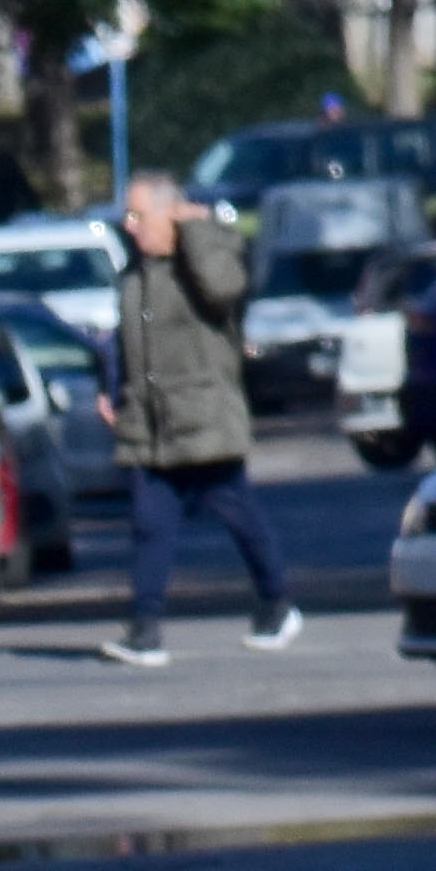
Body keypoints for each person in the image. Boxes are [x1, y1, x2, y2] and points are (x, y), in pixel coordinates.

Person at [103, 171, 297, 664]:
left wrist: (196, 230)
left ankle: (277, 604)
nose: (129, 226)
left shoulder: (207, 261)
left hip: (204, 421)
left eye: (138, 215)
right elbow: (127, 346)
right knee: (150, 524)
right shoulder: (134, 276)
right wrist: (115, 394)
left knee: (238, 513)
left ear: (171, 213)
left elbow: (223, 288)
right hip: (151, 426)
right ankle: (144, 632)